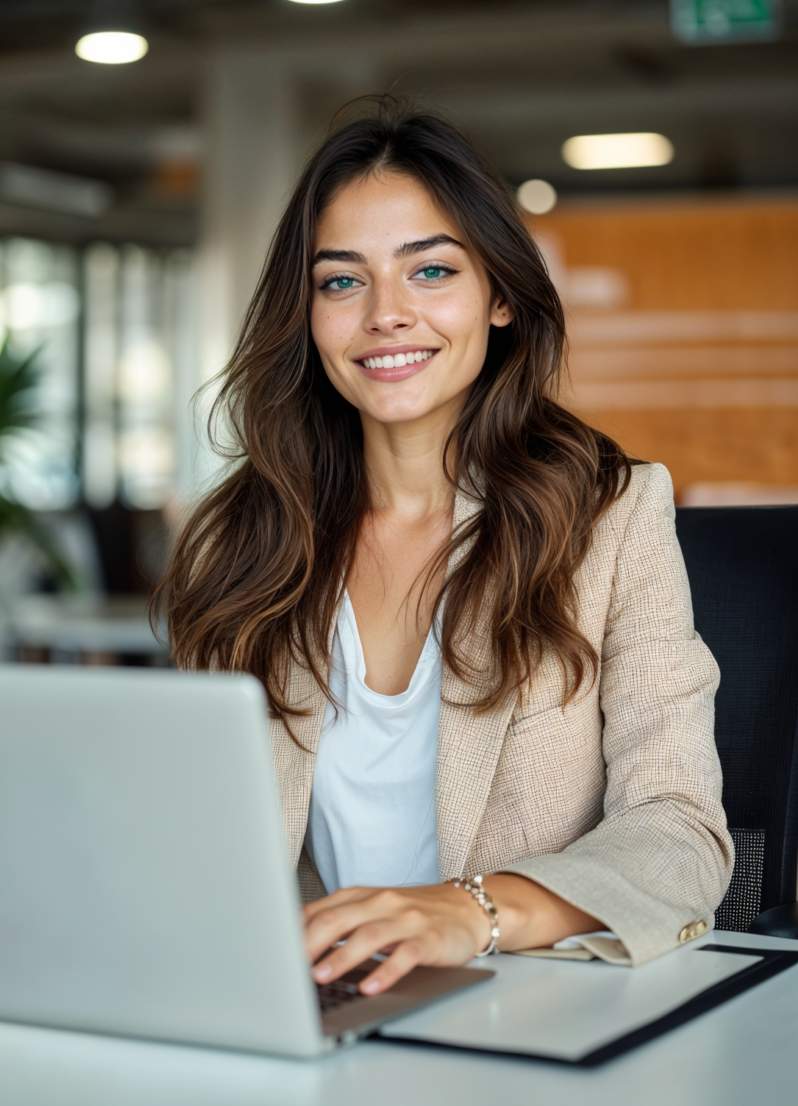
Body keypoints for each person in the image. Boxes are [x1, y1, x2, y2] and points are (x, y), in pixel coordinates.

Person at [153, 100, 732, 996]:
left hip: (528, 1004)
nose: (386, 314)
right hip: (305, 1002)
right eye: (341, 282)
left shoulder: (611, 519)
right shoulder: (239, 541)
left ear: (499, 297)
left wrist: (473, 911)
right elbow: (191, 832)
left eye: (430, 271)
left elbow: (680, 830)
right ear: (306, 314)